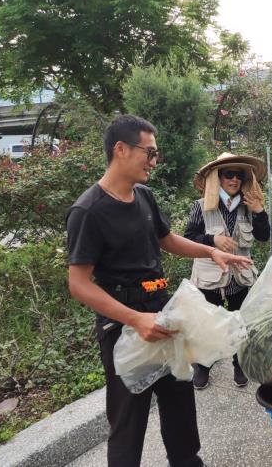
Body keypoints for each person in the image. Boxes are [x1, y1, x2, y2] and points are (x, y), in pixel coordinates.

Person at [66, 114, 252, 467]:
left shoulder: (144, 196)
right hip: (123, 325)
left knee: (179, 403)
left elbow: (166, 240)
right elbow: (78, 283)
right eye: (149, 152)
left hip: (162, 312)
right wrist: (136, 320)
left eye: (156, 153)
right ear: (121, 150)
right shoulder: (88, 211)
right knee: (128, 419)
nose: (154, 160)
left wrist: (211, 250)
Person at [185, 152, 270, 390]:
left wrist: (260, 211)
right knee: (208, 324)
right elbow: (189, 239)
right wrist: (212, 240)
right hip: (210, 276)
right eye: (228, 174)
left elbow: (263, 237)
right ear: (218, 178)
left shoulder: (248, 205)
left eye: (239, 176)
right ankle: (202, 366)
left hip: (240, 277)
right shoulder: (200, 206)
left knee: (239, 323)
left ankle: (239, 364)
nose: (233, 180)